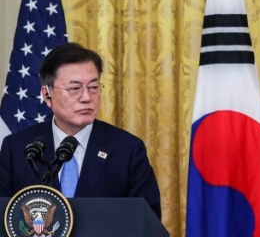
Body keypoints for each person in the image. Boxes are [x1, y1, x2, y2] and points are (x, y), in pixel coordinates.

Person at [0, 42, 161, 219]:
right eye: (75, 89)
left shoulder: (127, 149)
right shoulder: (17, 148)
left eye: (93, 87)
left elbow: (147, 221)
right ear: (47, 94)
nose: (86, 97)